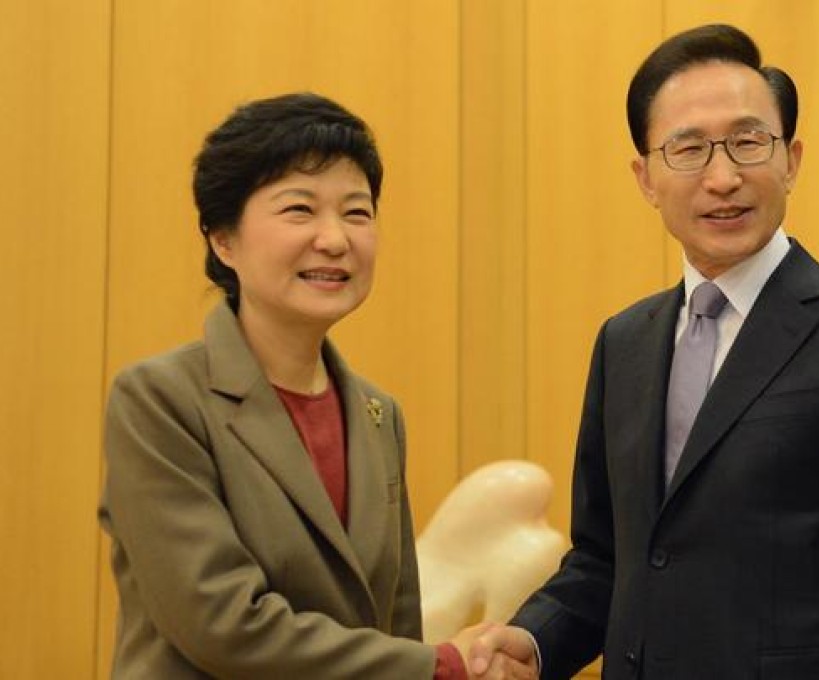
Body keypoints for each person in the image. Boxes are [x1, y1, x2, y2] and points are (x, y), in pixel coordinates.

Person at [470, 24, 819, 679]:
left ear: (790, 158)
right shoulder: (624, 342)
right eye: (689, 149)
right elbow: (606, 560)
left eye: (747, 142)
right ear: (645, 176)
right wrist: (533, 641)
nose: (724, 176)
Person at [99, 92, 532, 679]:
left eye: (357, 212)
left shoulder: (379, 414)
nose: (334, 239)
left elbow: (395, 621)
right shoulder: (159, 400)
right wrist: (440, 668)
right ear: (223, 239)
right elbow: (224, 625)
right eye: (299, 210)